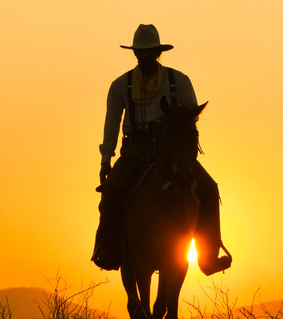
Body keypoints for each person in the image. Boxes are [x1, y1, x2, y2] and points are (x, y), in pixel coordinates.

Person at [92, 24, 231, 275]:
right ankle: (107, 247)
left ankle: (209, 255)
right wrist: (105, 161)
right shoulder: (121, 85)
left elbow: (191, 118)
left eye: (149, 52)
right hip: (136, 146)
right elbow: (111, 124)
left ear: (158, 52)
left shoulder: (179, 81)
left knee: (209, 188)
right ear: (135, 54)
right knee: (111, 191)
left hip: (172, 147)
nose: (144, 57)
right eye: (140, 52)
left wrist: (183, 146)